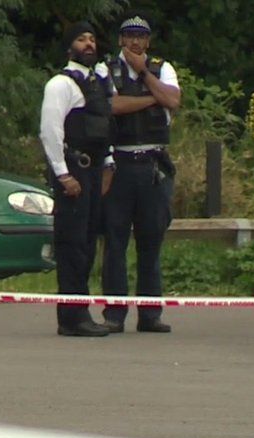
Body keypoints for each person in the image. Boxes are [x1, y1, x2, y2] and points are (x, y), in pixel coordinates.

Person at [100, 14, 181, 334]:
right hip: (120, 164)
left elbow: (173, 99)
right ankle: (114, 314)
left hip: (153, 167)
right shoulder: (107, 69)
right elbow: (112, 106)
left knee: (151, 241)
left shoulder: (162, 68)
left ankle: (150, 314)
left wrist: (144, 73)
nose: (135, 41)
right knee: (115, 242)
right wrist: (152, 99)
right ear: (120, 39)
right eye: (129, 35)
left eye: (141, 36)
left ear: (148, 41)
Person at [39, 21, 116, 337]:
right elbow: (50, 131)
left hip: (95, 169)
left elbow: (104, 125)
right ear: (70, 46)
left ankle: (80, 310)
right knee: (71, 243)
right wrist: (63, 174)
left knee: (86, 242)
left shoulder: (99, 81)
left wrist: (108, 163)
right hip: (73, 169)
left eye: (92, 39)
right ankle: (71, 316)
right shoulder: (60, 84)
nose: (88, 44)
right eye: (81, 39)